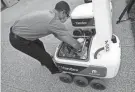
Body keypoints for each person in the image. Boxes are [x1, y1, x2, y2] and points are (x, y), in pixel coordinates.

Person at [9, 1, 85, 74]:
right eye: (67, 15)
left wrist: (69, 41)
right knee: (45, 57)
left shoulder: (49, 13)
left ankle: (43, 61)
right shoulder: (53, 21)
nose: (66, 18)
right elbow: (64, 36)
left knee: (40, 44)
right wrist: (79, 47)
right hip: (18, 39)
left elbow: (58, 34)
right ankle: (55, 70)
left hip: (19, 30)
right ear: (63, 12)